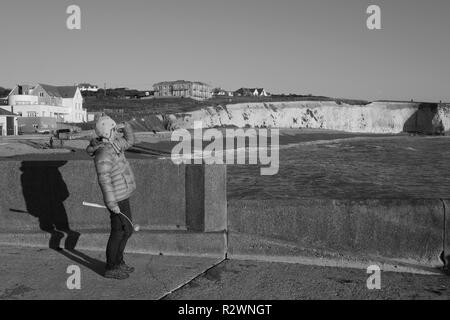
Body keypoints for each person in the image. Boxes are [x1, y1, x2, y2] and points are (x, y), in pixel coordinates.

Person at [86, 116, 137, 280]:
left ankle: (119, 262)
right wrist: (111, 202)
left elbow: (130, 141)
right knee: (118, 232)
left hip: (124, 194)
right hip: (116, 198)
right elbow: (104, 181)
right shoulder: (102, 154)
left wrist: (126, 126)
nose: (117, 132)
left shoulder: (114, 144)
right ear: (107, 132)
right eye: (114, 129)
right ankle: (111, 267)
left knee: (127, 230)